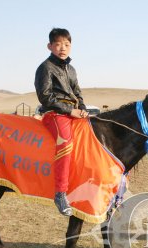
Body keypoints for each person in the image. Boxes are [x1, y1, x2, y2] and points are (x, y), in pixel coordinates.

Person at [34, 28, 88, 216]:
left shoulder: (71, 69)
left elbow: (77, 91)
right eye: (57, 44)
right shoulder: (46, 67)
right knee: (65, 142)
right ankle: (60, 193)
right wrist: (69, 110)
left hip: (73, 112)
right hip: (54, 114)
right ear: (50, 46)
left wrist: (82, 108)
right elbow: (45, 96)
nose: (62, 48)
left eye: (66, 44)